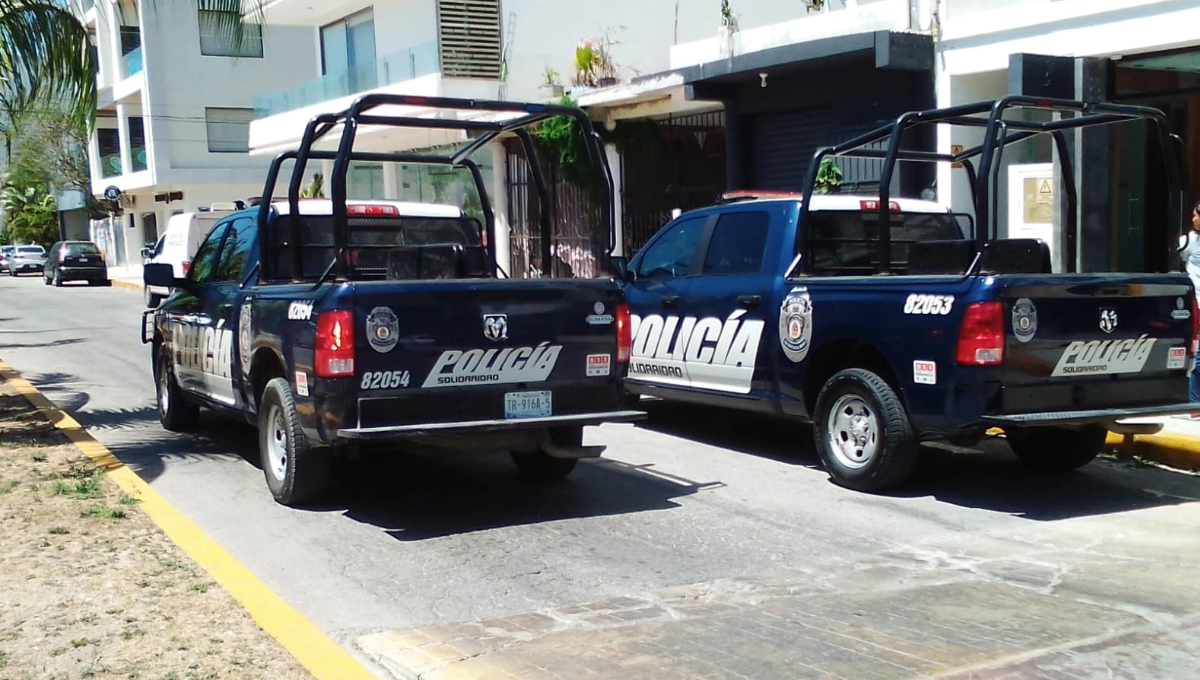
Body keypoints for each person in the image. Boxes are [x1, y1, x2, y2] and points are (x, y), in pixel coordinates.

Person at [1177, 200, 1200, 415]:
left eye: (1195, 215)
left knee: (1196, 353)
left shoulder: (1188, 240)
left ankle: (1194, 403)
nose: (1192, 219)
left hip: (1197, 303)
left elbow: (1180, 258)